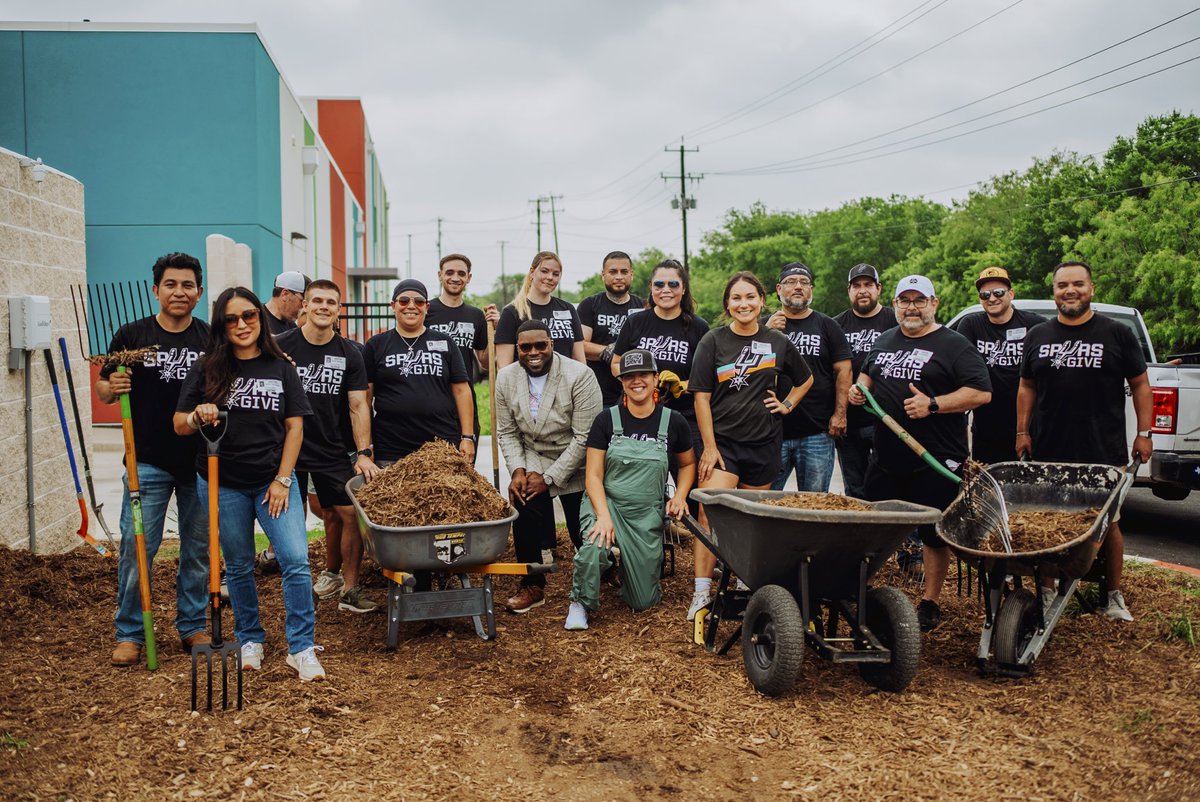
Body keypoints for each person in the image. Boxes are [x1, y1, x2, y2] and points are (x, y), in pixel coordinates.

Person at [174, 286, 325, 682]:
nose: (241, 324)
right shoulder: (206, 368)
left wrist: (282, 479)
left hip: (272, 482)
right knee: (239, 565)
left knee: (295, 560)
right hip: (221, 482)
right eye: (231, 318)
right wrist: (197, 416)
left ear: (260, 318)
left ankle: (301, 647)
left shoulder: (282, 368)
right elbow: (178, 423)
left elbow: (295, 428)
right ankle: (250, 638)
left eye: (249, 316)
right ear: (221, 325)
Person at [848, 275, 991, 632]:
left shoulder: (954, 345)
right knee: (874, 527)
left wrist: (934, 404)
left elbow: (981, 392)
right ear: (894, 304)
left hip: (936, 458)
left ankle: (930, 601)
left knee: (932, 532)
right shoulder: (884, 340)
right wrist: (858, 391)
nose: (911, 307)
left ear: (934, 303)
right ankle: (861, 590)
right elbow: (868, 376)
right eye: (904, 300)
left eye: (919, 300)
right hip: (886, 456)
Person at [1017, 261, 1153, 622]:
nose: (1070, 291)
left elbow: (1140, 384)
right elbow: (1026, 386)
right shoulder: (1038, 335)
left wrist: (1144, 433)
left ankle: (1112, 597)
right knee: (1045, 521)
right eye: (1062, 285)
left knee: (1108, 523)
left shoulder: (1116, 333)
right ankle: (1046, 593)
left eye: (1077, 284)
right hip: (1049, 445)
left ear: (1092, 289)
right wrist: (1022, 431)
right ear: (1054, 292)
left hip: (1101, 447)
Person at [97, 252, 211, 667]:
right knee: (137, 545)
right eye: (170, 284)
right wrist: (113, 384)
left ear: (199, 293)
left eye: (187, 285)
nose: (179, 292)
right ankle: (129, 632)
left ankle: (192, 623)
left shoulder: (210, 339)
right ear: (156, 290)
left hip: (199, 460)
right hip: (146, 459)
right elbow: (105, 391)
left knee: (197, 547)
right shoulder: (131, 336)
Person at [688, 271, 814, 620]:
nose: (743, 304)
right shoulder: (713, 342)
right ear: (727, 305)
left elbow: (806, 379)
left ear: (761, 300)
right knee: (708, 514)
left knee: (751, 520)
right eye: (736, 298)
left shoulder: (777, 342)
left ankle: (745, 587)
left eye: (750, 297)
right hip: (723, 446)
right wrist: (709, 448)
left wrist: (786, 404)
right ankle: (701, 593)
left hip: (763, 444)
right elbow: (700, 398)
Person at [565, 349, 696, 630]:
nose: (637, 382)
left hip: (645, 512)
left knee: (642, 602)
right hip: (607, 503)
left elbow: (687, 465)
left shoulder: (673, 421)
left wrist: (680, 495)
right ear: (622, 382)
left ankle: (629, 567)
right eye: (629, 377)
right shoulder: (606, 420)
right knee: (594, 548)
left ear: (655, 378)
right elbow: (593, 475)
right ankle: (580, 602)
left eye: (643, 375)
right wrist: (602, 515)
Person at [275, 280, 381, 614]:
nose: (323, 306)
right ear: (304, 305)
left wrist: (363, 452)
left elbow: (358, 405)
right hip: (284, 449)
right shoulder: (279, 345)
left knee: (350, 515)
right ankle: (296, 589)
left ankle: (349, 589)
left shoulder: (351, 352)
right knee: (288, 519)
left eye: (330, 302)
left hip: (331, 448)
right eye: (317, 300)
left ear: (338, 309)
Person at [494, 320, 602, 613]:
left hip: (575, 458)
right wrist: (517, 469)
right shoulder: (505, 378)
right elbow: (506, 432)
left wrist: (550, 478)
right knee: (523, 501)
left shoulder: (579, 375)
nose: (533, 352)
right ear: (517, 349)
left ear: (551, 344)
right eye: (525, 347)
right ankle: (532, 584)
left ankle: (606, 567)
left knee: (582, 531)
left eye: (540, 345)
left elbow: (584, 437)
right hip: (533, 454)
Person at [612, 258, 710, 511]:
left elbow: (707, 379)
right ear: (651, 288)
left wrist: (681, 384)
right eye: (659, 284)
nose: (665, 289)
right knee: (638, 483)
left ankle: (690, 536)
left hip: (685, 417)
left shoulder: (699, 328)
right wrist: (639, 385)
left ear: (684, 288)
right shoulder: (636, 322)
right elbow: (615, 364)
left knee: (694, 485)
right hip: (641, 415)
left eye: (673, 284)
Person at [361, 279, 476, 464]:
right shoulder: (376, 345)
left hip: (441, 446)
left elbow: (462, 391)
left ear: (427, 307)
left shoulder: (446, 343)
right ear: (393, 305)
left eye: (419, 302)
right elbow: (364, 399)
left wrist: (468, 437)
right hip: (391, 448)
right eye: (404, 301)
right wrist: (366, 448)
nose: (411, 306)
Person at [765, 262, 852, 492]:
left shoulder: (828, 326)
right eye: (791, 282)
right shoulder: (763, 325)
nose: (798, 287)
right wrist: (766, 330)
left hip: (817, 432)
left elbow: (844, 371)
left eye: (804, 282)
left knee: (813, 505)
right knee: (764, 502)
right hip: (773, 430)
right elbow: (744, 362)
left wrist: (840, 414)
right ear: (778, 289)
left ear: (811, 289)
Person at [950, 266, 1045, 464]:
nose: (991, 298)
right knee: (990, 489)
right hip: (987, 427)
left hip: (1028, 425)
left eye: (998, 292)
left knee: (1028, 486)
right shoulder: (971, 325)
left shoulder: (1034, 324)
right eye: (985, 294)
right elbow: (957, 365)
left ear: (1011, 294)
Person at [833, 264, 897, 498]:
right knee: (855, 486)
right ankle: (859, 533)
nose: (862, 290)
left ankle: (895, 533)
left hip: (888, 418)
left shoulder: (895, 320)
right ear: (848, 291)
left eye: (868, 285)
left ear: (878, 288)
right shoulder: (836, 325)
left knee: (890, 480)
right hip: (849, 421)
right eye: (856, 285)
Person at [426, 253, 492, 452]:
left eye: (461, 273)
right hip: (431, 401)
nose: (455, 277)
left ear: (468, 278)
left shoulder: (475, 315)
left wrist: (494, 332)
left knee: (464, 471)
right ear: (440, 275)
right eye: (450, 272)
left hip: (464, 403)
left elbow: (486, 362)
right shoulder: (426, 311)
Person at [494, 251, 585, 369]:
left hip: (565, 385)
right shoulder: (512, 312)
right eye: (544, 271)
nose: (550, 277)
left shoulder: (568, 309)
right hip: (527, 385)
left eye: (556, 274)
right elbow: (504, 368)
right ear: (532, 272)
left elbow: (580, 362)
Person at [577, 251, 645, 407]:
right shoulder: (590, 305)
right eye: (613, 272)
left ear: (632, 275)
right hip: (598, 394)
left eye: (624, 272)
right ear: (603, 275)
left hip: (635, 392)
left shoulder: (642, 307)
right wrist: (607, 350)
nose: (619, 276)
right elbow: (580, 345)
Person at [264, 271, 310, 336]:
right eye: (302, 301)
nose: (304, 308)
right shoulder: (256, 319)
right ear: (285, 294)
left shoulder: (293, 328)